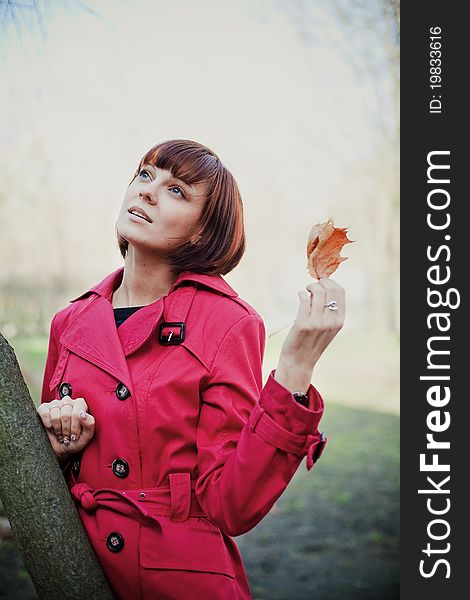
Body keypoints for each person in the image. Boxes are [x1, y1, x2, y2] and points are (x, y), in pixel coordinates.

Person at [37, 139, 345, 600]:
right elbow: (44, 472)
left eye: (176, 190)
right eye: (145, 175)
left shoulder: (228, 323)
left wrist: (295, 370)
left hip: (180, 581)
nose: (147, 192)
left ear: (204, 232)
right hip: (78, 571)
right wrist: (57, 450)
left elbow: (231, 505)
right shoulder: (71, 322)